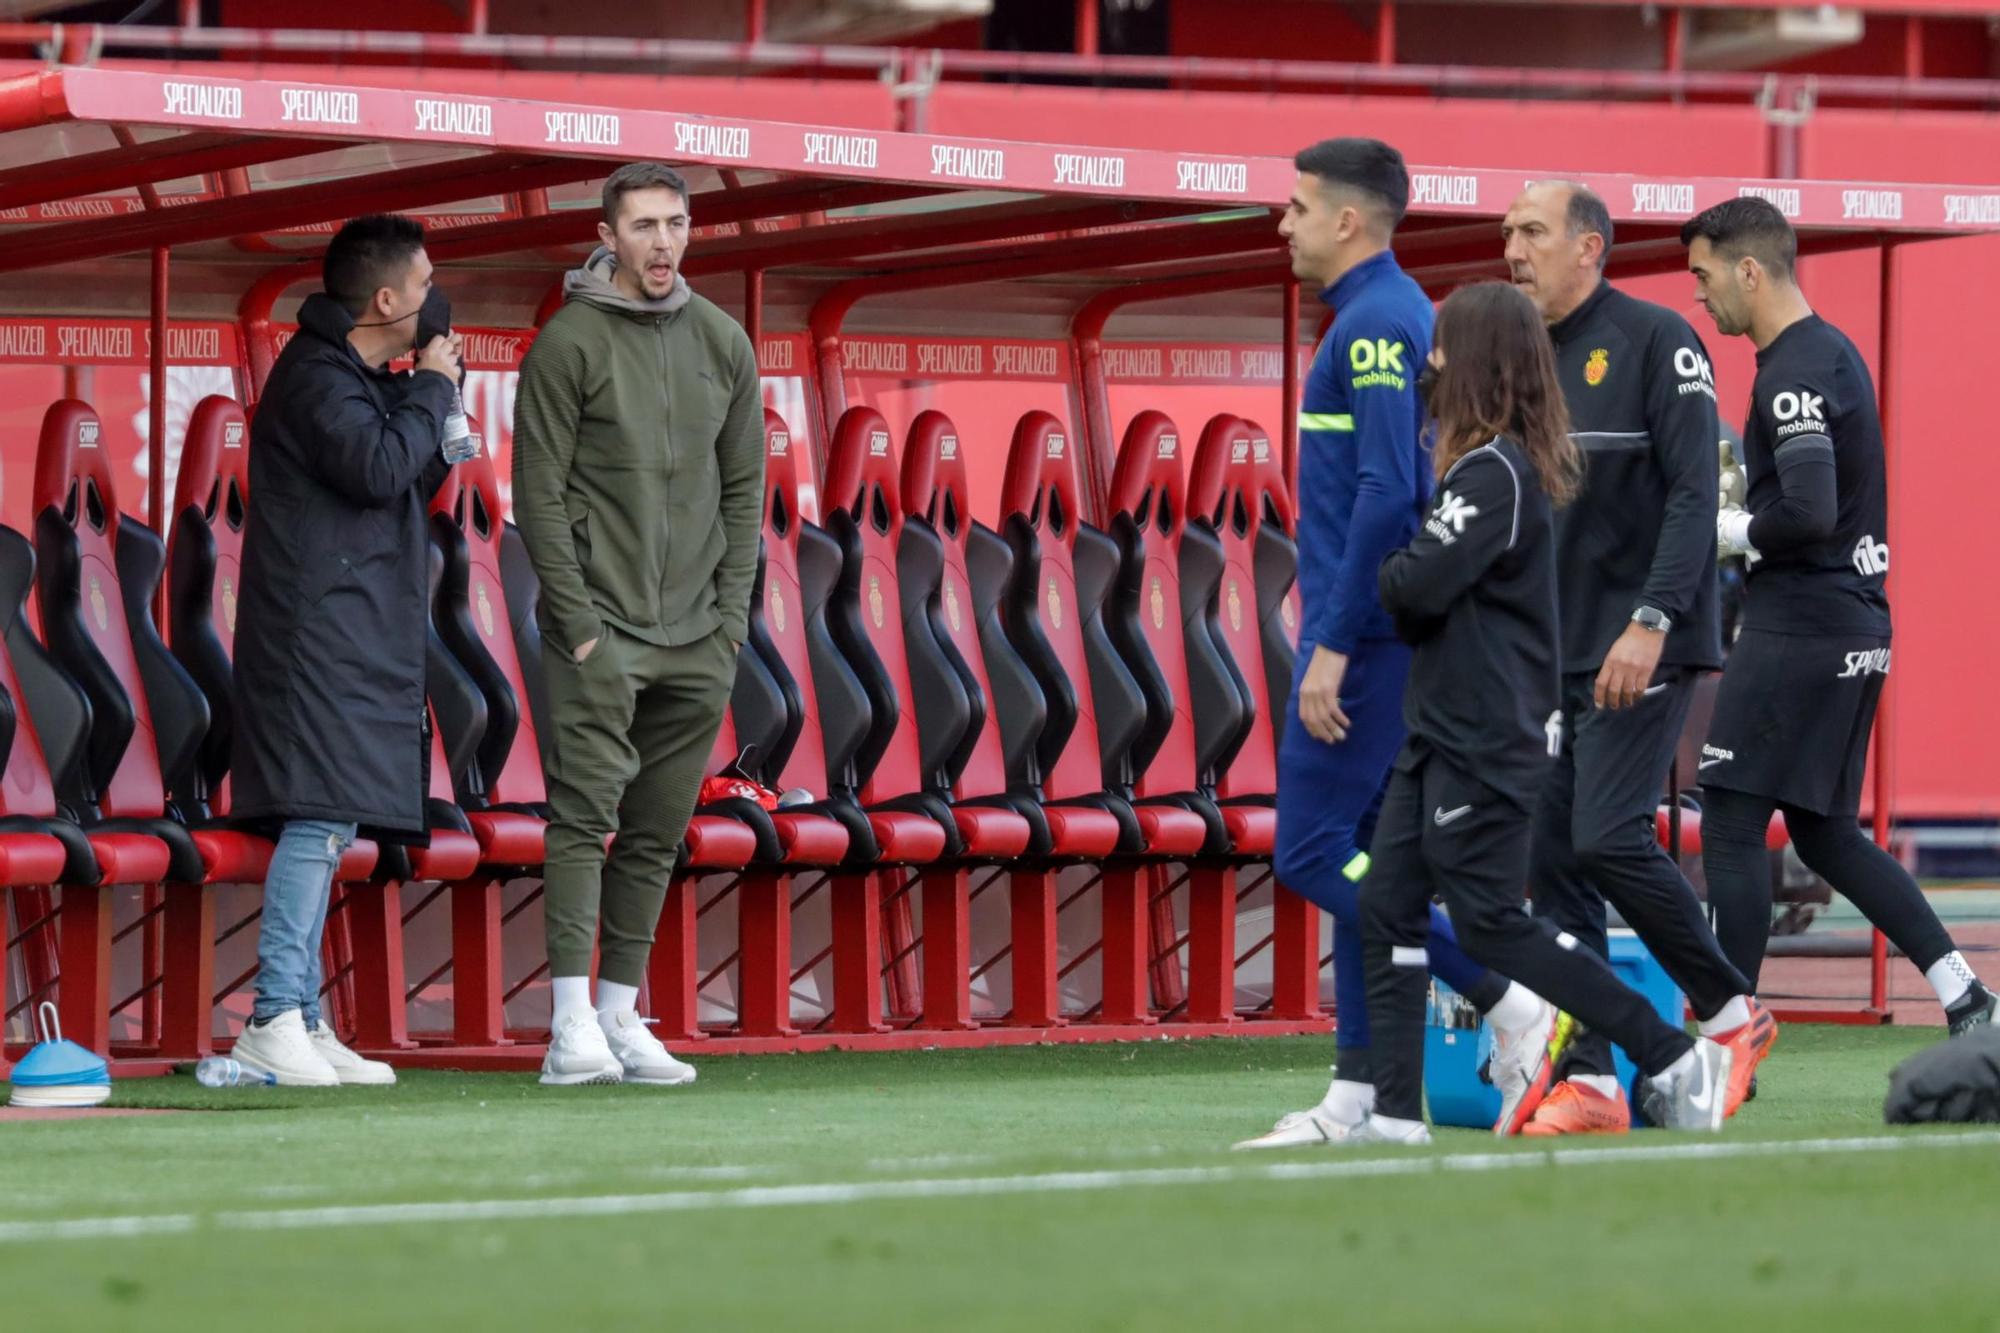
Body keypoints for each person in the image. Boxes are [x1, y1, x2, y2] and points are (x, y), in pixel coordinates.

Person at [1355, 280, 1733, 1145]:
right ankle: (1391, 1114)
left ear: (1477, 360)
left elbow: (1410, 589)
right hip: (1439, 727)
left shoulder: (1495, 475)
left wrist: (1383, 559)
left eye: (1443, 345)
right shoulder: (1474, 469)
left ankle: (1666, 1049)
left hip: (1487, 734)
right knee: (1387, 902)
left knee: (1492, 917)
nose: (1429, 362)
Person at [1238, 140, 1561, 1150]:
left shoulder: (1377, 322)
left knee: (1309, 852)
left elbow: (1389, 492)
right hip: (1375, 634)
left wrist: (1329, 642)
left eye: (1294, 208)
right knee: (1372, 866)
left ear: (1346, 220)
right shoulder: (1377, 317)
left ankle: (1506, 997)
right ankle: (1363, 1097)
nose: (1280, 224)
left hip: (1366, 643)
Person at [1682, 197, 1997, 1037]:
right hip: (1854, 622)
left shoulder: (1789, 372)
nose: (1700, 299)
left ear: (1750, 271)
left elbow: (1812, 509)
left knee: (1732, 813)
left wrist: (1732, 529)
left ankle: (1728, 1029)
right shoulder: (1832, 354)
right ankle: (1966, 991)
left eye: (1705, 278)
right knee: (1823, 832)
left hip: (1802, 624)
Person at [1500, 181, 1766, 1135]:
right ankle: (1596, 1082)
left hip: (1644, 641)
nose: (1514, 250)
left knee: (1607, 833)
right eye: (1507, 234)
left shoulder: (1660, 341)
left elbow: (1697, 496)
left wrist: (1651, 619)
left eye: (1532, 232)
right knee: (1552, 858)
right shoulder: (1519, 361)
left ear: (1591, 248)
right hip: (1551, 651)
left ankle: (1733, 1016)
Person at [513, 162, 765, 1087]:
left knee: (658, 829)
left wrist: (730, 622)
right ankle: (569, 1025)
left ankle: (621, 1013)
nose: (663, 242)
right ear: (609, 235)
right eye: (645, 226)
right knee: (583, 819)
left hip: (699, 636)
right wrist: (578, 624)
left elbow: (746, 493)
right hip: (600, 632)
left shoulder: (723, 341)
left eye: (676, 224)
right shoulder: (567, 343)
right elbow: (535, 498)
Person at [230, 215, 466, 1087]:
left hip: (360, 632)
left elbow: (406, 482)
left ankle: (308, 1016)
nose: (438, 299)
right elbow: (372, 467)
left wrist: (436, 401)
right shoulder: (315, 376)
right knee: (318, 818)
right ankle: (270, 1016)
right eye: (427, 280)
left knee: (334, 823)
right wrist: (431, 393)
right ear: (386, 298)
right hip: (313, 639)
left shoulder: (368, 377)